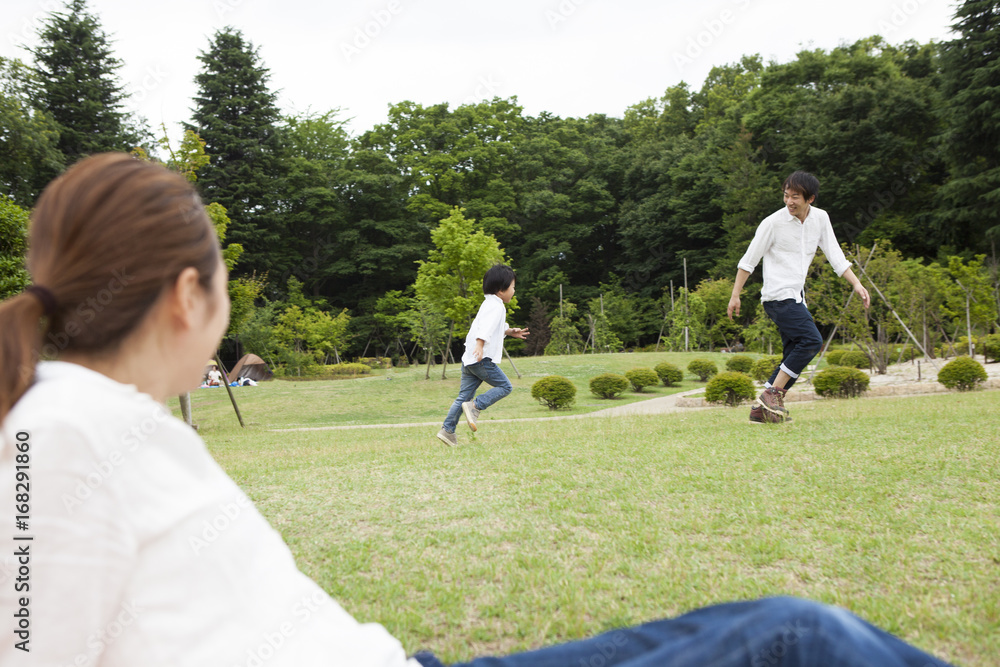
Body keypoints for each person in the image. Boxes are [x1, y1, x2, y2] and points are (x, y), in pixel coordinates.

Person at [0, 154, 951, 666]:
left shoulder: (84, 421)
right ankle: (464, 416)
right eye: (220, 287)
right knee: (800, 639)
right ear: (184, 299)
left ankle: (463, 418)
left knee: (791, 632)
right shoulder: (61, 433)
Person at [727, 171, 871, 424]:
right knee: (811, 341)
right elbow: (749, 261)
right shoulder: (772, 223)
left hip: (797, 298)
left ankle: (760, 411)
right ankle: (772, 395)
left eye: (795, 197)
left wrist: (857, 284)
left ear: (810, 199)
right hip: (776, 297)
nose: (789, 201)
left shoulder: (821, 219)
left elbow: (835, 255)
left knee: (794, 353)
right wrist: (735, 295)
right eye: (786, 195)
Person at [435, 264, 528, 447]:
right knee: (505, 386)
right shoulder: (496, 307)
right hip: (481, 358)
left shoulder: (490, 304)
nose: (514, 291)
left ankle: (447, 430)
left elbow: (492, 326)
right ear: (501, 290)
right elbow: (485, 328)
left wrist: (509, 331)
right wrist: (480, 343)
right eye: (513, 287)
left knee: (463, 398)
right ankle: (476, 406)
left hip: (470, 359)